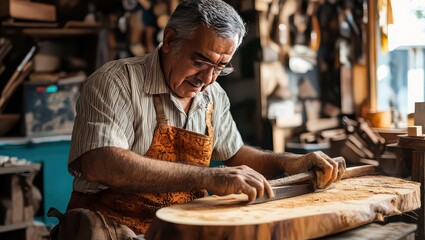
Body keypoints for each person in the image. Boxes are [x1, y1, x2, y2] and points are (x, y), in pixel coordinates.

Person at [65, 0, 346, 237]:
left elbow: (235, 154)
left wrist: (290, 162)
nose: (208, 79)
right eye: (199, 62)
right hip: (113, 229)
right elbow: (101, 164)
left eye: (220, 67)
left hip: (180, 229)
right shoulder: (116, 82)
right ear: (170, 40)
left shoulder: (214, 96)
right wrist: (210, 177)